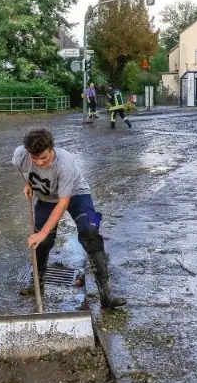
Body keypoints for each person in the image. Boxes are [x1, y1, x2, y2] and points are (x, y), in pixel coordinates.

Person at [13, 128, 126, 309]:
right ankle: (37, 283)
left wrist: (43, 231)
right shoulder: (20, 155)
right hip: (46, 197)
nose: (40, 163)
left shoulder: (65, 163)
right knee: (41, 242)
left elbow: (63, 203)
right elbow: (24, 170)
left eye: (44, 158)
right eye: (35, 159)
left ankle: (106, 295)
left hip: (75, 195)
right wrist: (29, 184)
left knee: (90, 232)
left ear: (51, 148)